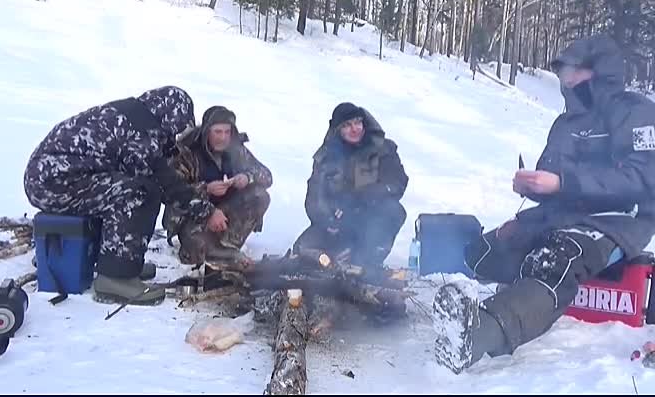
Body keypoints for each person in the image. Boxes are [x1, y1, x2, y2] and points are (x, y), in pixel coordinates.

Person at [432, 34, 655, 374]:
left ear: (599, 70)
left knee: (556, 262)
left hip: (616, 221)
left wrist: (563, 183)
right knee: (485, 251)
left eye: (573, 70)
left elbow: (641, 179)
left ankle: (478, 334)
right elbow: (553, 180)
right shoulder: (564, 123)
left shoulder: (635, 112)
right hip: (561, 214)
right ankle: (527, 295)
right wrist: (532, 190)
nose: (566, 79)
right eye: (563, 71)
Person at [24, 86, 212, 306]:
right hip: (52, 185)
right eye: (176, 126)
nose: (176, 133)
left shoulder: (134, 117)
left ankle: (122, 262)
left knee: (135, 188)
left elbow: (159, 165)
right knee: (138, 194)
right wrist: (207, 212)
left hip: (59, 179)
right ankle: (115, 276)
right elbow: (164, 183)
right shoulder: (137, 133)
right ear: (169, 115)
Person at [292, 102, 409, 276]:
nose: (354, 129)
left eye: (357, 122)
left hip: (370, 218)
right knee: (302, 249)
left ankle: (367, 263)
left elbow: (398, 182)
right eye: (347, 125)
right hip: (337, 224)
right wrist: (328, 218)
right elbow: (314, 198)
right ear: (338, 129)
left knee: (394, 211)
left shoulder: (383, 150)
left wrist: (367, 195)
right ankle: (337, 263)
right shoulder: (326, 157)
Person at [162, 105, 272, 273]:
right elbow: (173, 193)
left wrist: (247, 177)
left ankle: (228, 245)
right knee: (195, 255)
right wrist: (206, 189)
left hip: (226, 211)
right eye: (218, 132)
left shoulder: (237, 151)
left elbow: (266, 175)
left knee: (259, 195)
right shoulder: (188, 154)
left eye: (227, 132)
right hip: (194, 218)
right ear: (207, 132)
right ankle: (214, 252)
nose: (223, 138)